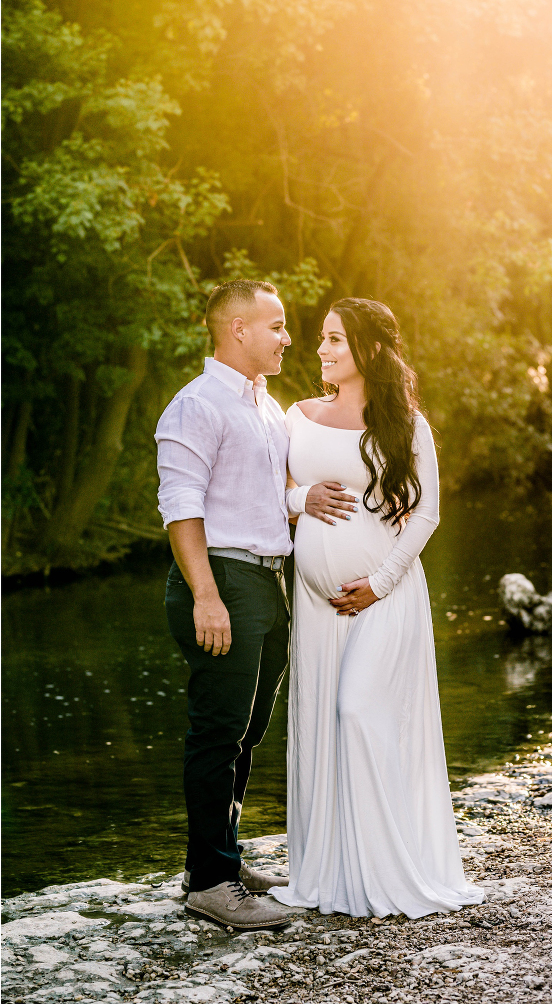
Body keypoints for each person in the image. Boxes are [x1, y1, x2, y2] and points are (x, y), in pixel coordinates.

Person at [273, 298, 484, 919]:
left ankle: (390, 869)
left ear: (367, 349)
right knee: (324, 731)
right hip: (317, 608)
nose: (322, 349)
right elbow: (269, 491)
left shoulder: (406, 425)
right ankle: (335, 875)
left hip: (385, 598)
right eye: (321, 340)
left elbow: (428, 511)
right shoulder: (298, 417)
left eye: (335, 339)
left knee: (360, 712)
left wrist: (383, 580)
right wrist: (300, 497)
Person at [155, 279, 355, 931]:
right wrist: (207, 598)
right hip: (222, 581)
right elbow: (182, 509)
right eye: (275, 325)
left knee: (247, 732)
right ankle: (211, 885)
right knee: (217, 732)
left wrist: (305, 501)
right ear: (237, 330)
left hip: (268, 580)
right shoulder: (196, 406)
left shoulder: (265, 407)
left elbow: (268, 494)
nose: (287, 337)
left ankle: (219, 861)